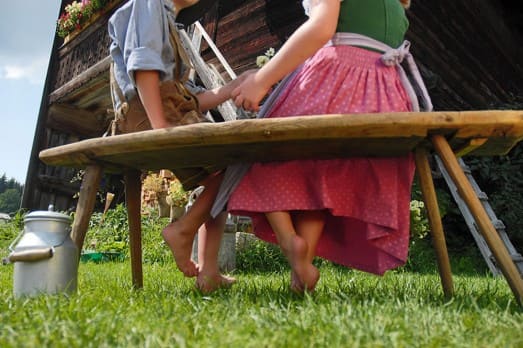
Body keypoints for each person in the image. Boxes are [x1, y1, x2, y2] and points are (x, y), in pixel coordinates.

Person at [225, 0, 432, 292]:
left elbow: (321, 27)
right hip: (385, 92)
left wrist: (262, 78)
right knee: (321, 182)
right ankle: (301, 274)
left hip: (340, 78)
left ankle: (289, 241)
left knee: (263, 149)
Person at [108, 0, 251, 293]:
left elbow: (192, 98)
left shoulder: (172, 25)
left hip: (173, 112)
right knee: (236, 158)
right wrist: (160, 126)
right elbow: (142, 61)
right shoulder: (149, 4)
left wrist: (232, 87)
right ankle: (182, 230)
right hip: (147, 115)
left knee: (225, 169)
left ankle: (209, 271)